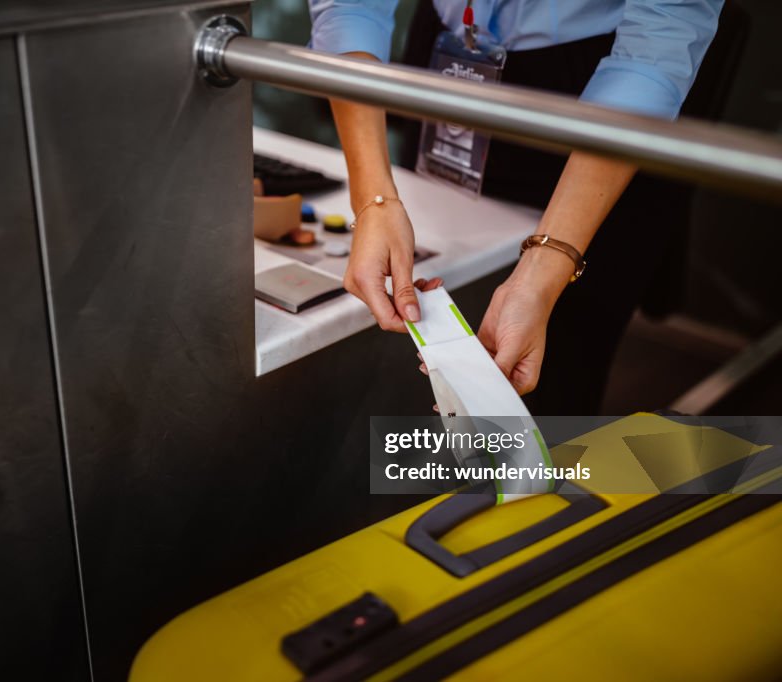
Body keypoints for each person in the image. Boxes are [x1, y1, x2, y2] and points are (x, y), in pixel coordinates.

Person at [308, 0, 724, 413]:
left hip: (608, 101)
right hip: (447, 61)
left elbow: (660, 42)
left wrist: (543, 274)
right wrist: (373, 200)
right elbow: (350, 7)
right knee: (424, 359)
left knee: (553, 371)